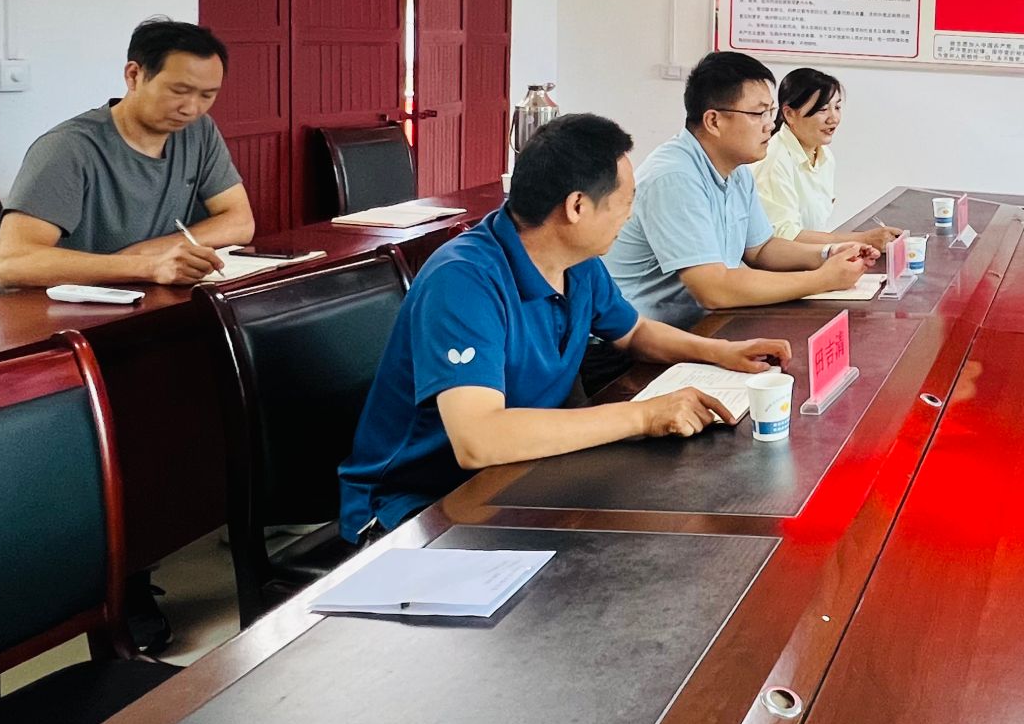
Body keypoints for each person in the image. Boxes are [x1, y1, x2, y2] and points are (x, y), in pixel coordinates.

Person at [340, 113, 793, 541]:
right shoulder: (463, 280)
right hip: (420, 511)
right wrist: (643, 415)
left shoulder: (577, 261)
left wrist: (720, 351)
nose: (629, 216)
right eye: (625, 202)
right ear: (577, 206)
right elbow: (477, 440)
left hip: (523, 477)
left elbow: (634, 332)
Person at [605, 52, 878, 327]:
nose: (770, 125)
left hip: (701, 325)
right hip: (637, 338)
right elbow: (713, 289)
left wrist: (828, 253)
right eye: (759, 113)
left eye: (770, 112)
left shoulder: (737, 170)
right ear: (714, 121)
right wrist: (821, 279)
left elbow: (761, 249)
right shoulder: (674, 178)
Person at [0, 17, 254, 289]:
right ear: (133, 75)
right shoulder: (68, 148)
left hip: (141, 298)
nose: (191, 109)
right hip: (53, 308)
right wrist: (147, 266)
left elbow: (240, 222)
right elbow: (12, 263)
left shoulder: (198, 131)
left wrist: (151, 252)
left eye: (207, 95)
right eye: (178, 91)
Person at [752, 68, 903, 250]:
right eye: (823, 109)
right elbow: (784, 235)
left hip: (811, 256)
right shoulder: (774, 160)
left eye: (837, 107)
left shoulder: (824, 156)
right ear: (790, 114)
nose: (834, 118)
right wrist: (863, 239)